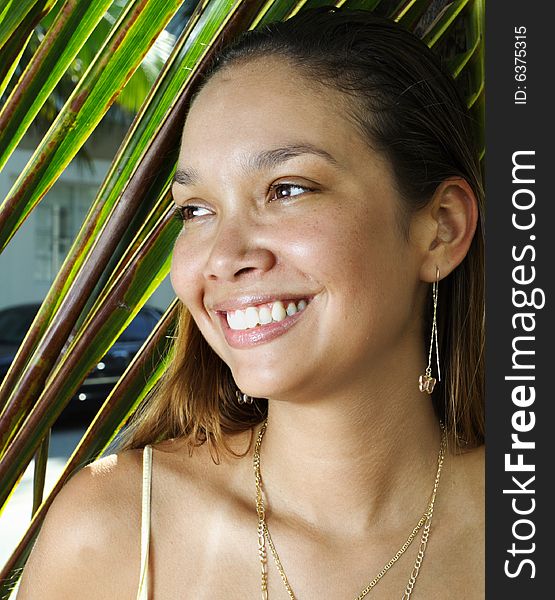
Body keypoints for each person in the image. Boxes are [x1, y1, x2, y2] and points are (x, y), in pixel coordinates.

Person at [16, 6, 484, 599]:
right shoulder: (115, 535)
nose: (223, 255)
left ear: (441, 227)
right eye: (196, 210)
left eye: (287, 189)